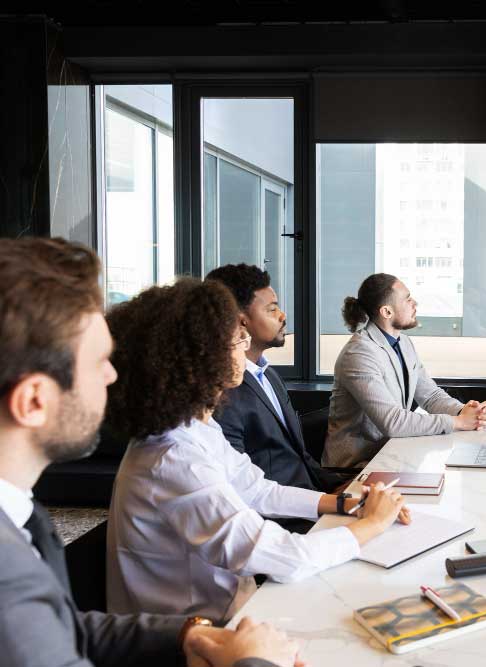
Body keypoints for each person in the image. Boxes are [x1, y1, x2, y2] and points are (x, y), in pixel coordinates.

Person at [0, 237, 297, 667]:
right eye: (99, 361)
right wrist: (254, 662)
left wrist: (189, 636)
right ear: (33, 401)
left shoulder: (21, 513)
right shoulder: (6, 571)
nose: (112, 374)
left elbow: (66, 627)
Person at [105, 278, 410, 623]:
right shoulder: (174, 460)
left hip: (235, 609)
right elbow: (286, 558)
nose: (244, 345)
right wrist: (371, 525)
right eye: (238, 339)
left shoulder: (193, 427)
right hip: (201, 635)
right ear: (198, 358)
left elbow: (256, 489)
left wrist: (343, 503)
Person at [207, 264, 349, 516]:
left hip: (313, 501)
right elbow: (244, 492)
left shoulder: (269, 375)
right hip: (283, 520)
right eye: (271, 309)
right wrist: (332, 504)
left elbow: (300, 457)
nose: (282, 315)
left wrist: (340, 488)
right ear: (241, 321)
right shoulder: (223, 395)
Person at [323, 273, 486, 468]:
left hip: (391, 455)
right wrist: (457, 422)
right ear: (386, 312)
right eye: (407, 299)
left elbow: (430, 396)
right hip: (356, 468)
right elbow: (393, 422)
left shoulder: (403, 342)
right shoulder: (359, 354)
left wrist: (465, 411)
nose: (415, 303)